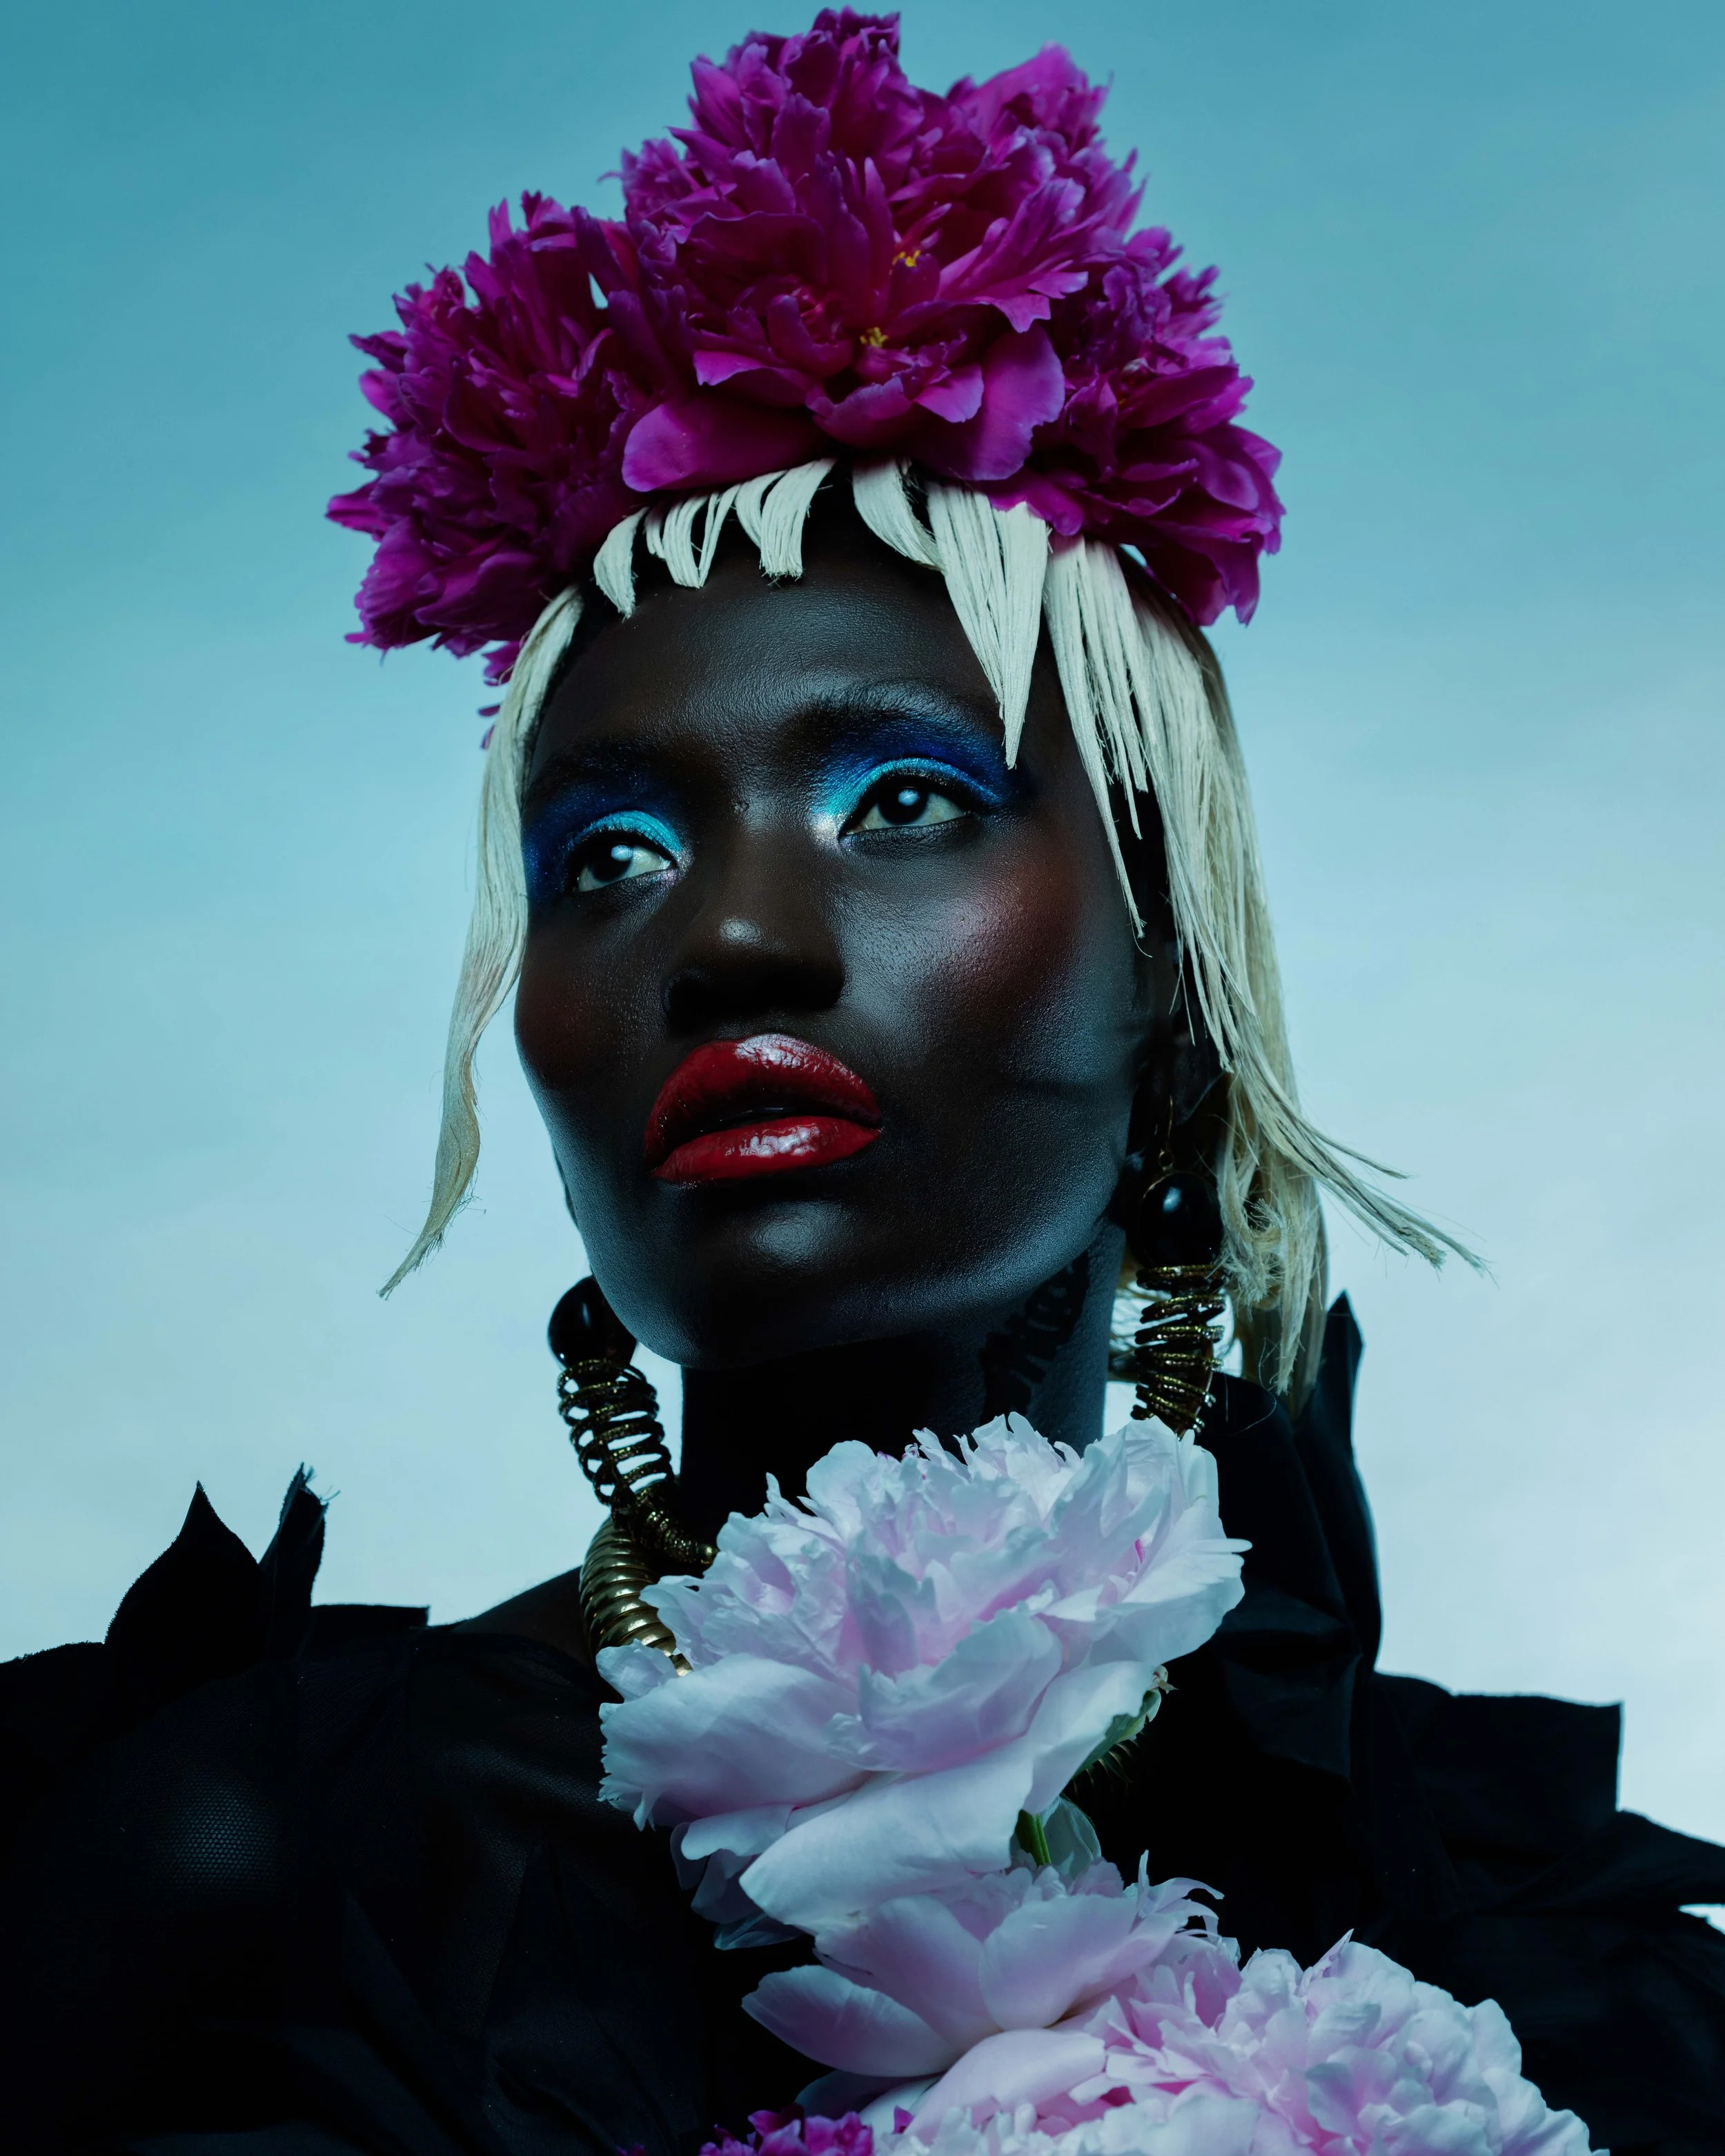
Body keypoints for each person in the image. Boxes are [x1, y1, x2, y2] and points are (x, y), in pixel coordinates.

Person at [1, 12, 1721, 2152]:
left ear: (1172, 980)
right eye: (606, 855)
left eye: (901, 801)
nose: (726, 939)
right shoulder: (252, 1866)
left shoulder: (1544, 1951)